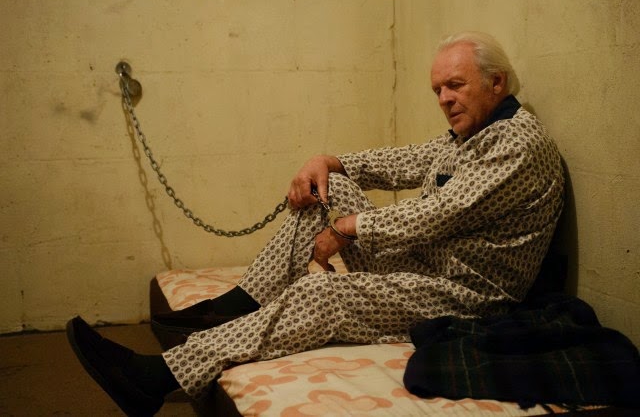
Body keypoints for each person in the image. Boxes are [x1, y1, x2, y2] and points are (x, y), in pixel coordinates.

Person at [66, 31, 565, 416]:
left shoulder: (515, 144)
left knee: (321, 293)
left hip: (463, 296)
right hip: (423, 268)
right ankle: (232, 308)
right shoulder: (472, 133)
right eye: (437, 89)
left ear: (496, 82)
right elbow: (407, 161)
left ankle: (155, 378)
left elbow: (436, 213)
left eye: (455, 85)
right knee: (329, 189)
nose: (444, 99)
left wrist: (347, 229)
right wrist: (328, 162)